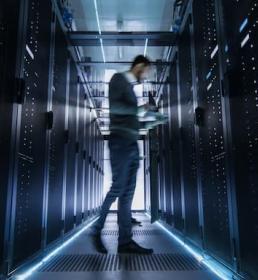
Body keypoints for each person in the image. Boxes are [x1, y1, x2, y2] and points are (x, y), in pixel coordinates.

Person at [92, 55, 153, 254]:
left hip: (131, 143)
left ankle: (125, 242)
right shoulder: (118, 79)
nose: (146, 75)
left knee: (127, 195)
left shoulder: (130, 89)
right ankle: (96, 229)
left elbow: (132, 119)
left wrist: (153, 122)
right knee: (117, 188)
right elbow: (117, 108)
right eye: (146, 71)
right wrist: (140, 109)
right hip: (120, 143)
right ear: (139, 66)